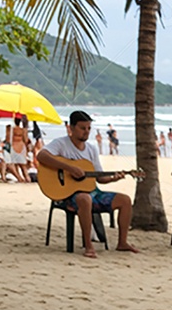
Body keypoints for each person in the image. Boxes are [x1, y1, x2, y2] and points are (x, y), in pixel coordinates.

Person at [38, 110, 139, 258]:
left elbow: (99, 178)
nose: (86, 132)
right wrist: (69, 168)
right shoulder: (60, 144)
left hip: (92, 192)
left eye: (88, 128)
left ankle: (122, 242)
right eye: (82, 128)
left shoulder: (91, 149)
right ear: (71, 128)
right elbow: (41, 156)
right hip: (67, 195)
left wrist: (114, 178)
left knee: (125, 200)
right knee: (85, 199)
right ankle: (88, 246)